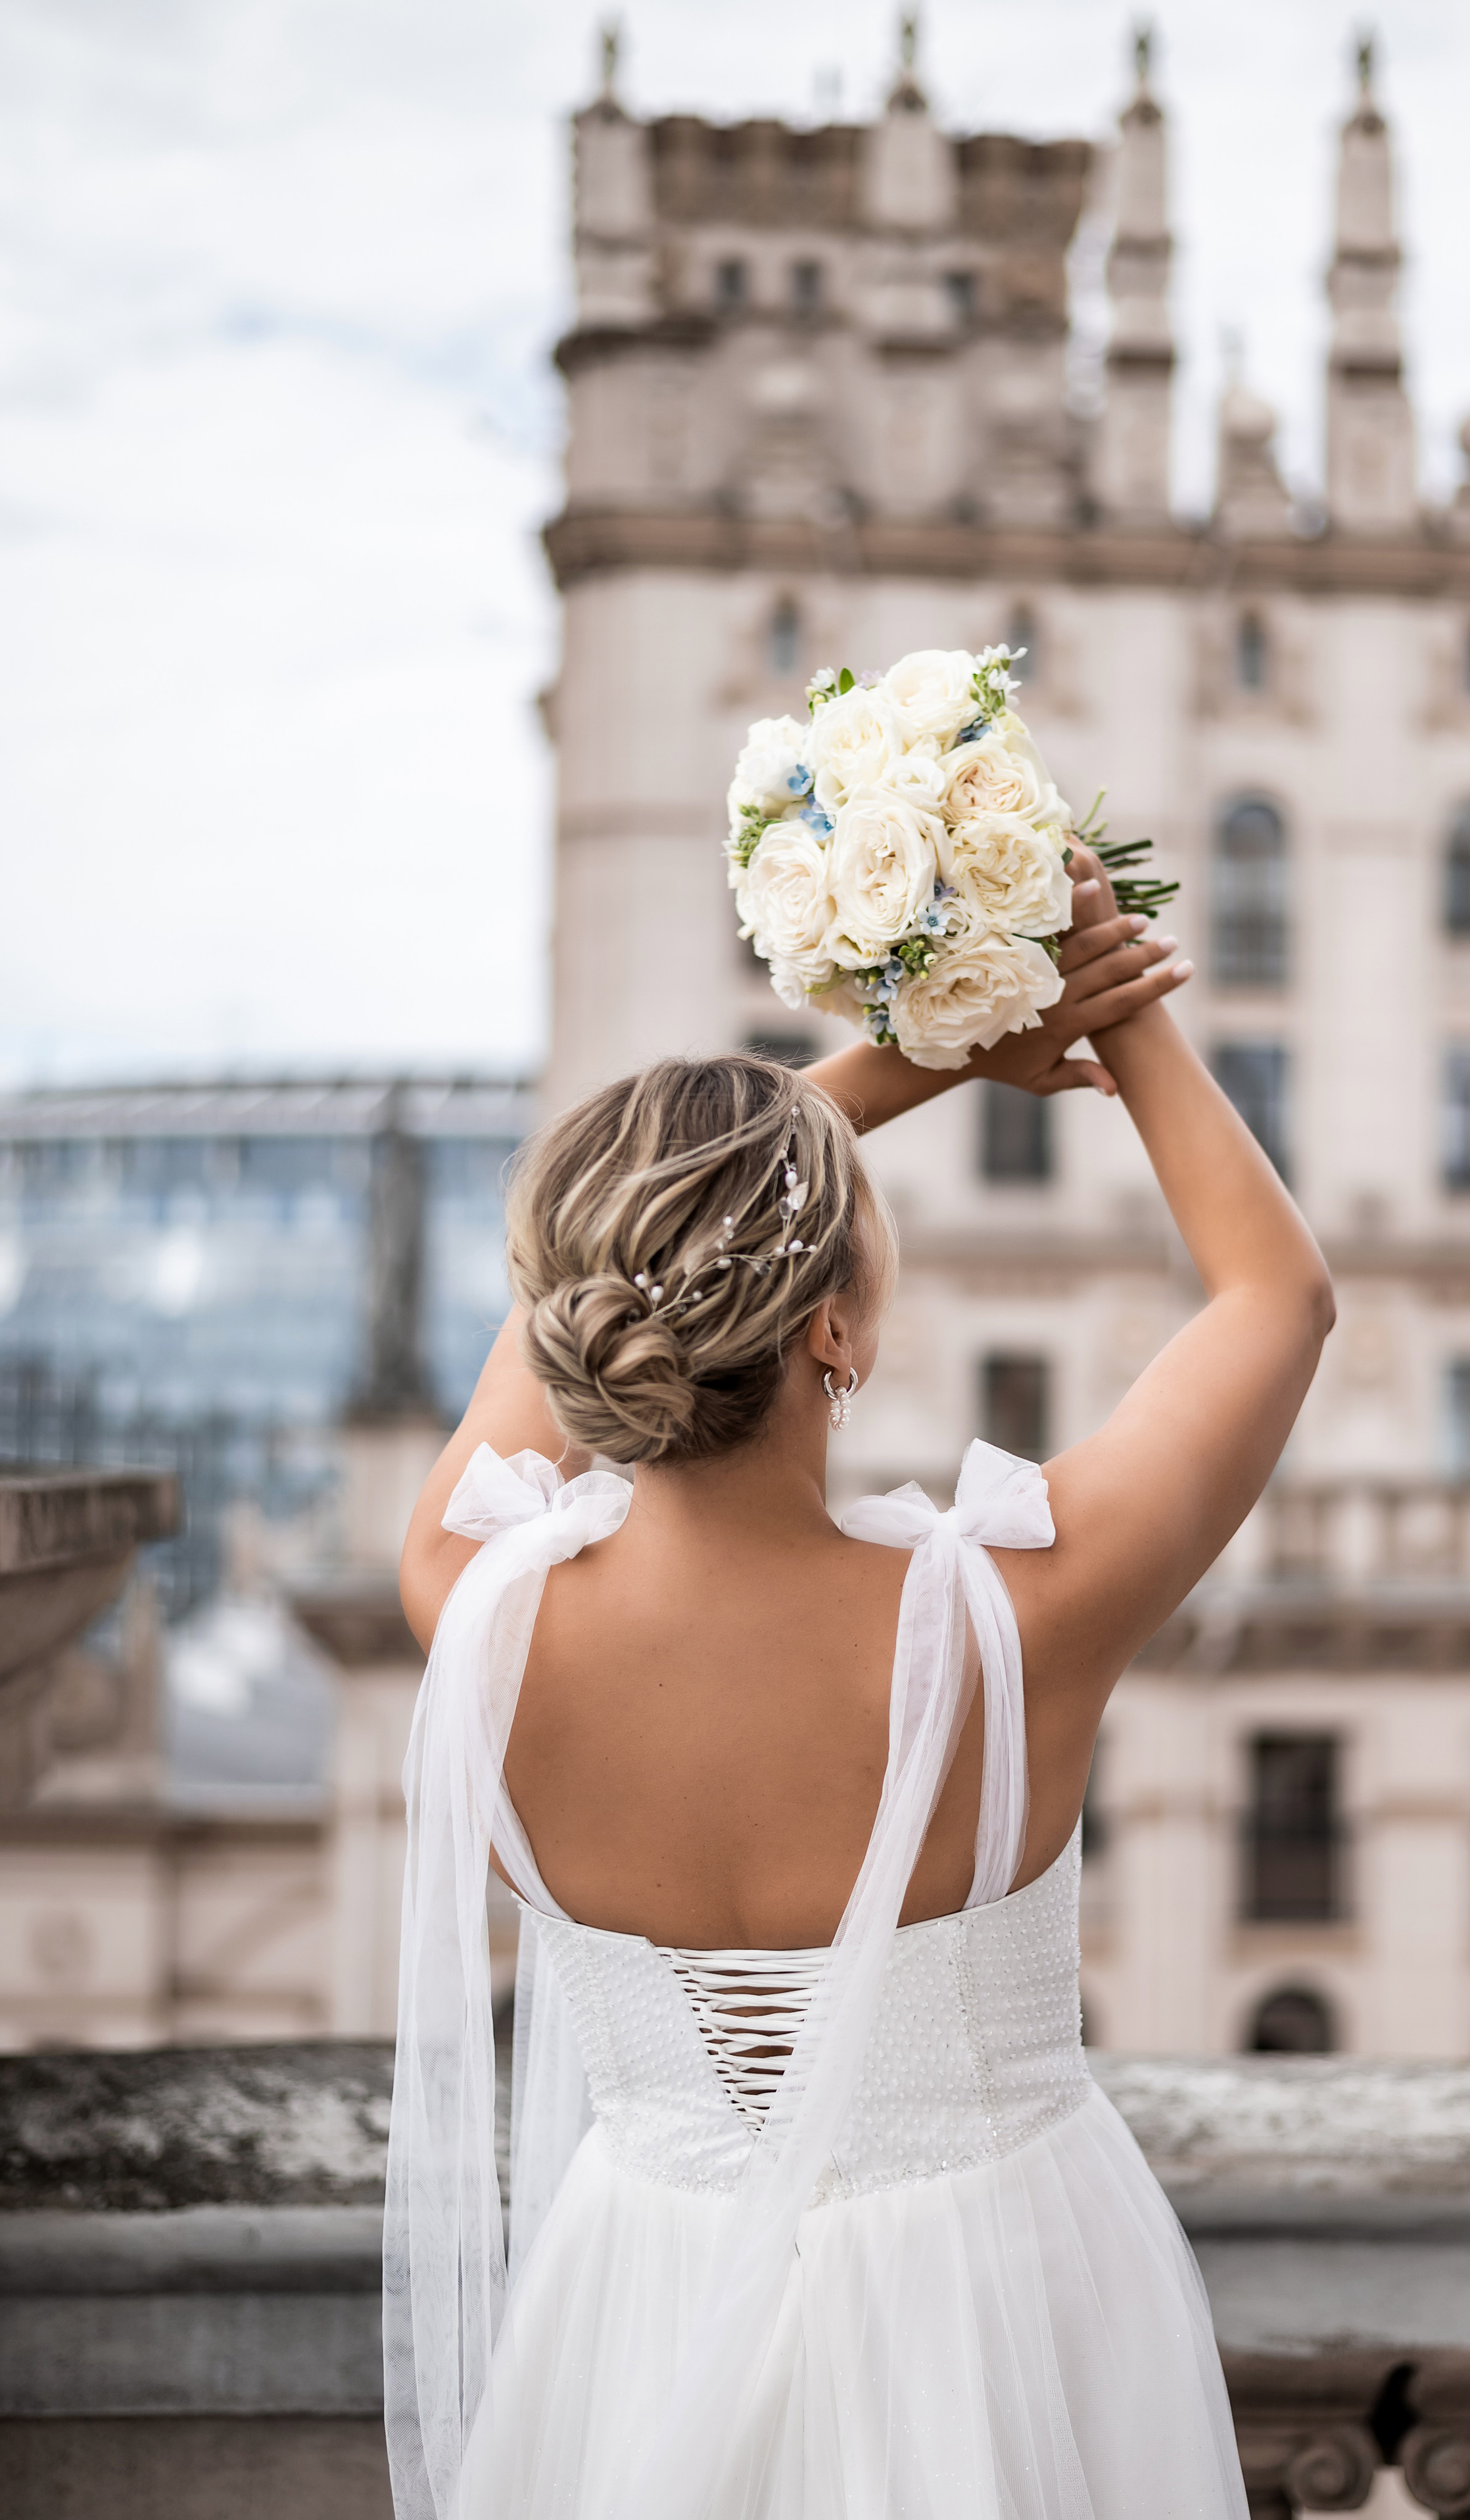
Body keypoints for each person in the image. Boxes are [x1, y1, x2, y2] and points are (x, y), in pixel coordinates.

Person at [387, 843, 1335, 2520]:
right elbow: (1276, 1295)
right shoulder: (1010, 1626)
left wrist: (885, 1076)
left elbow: (580, 1299)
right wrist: (1095, 987)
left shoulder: (465, 1609)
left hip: (640, 2302)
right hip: (994, 2308)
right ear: (837, 1332)